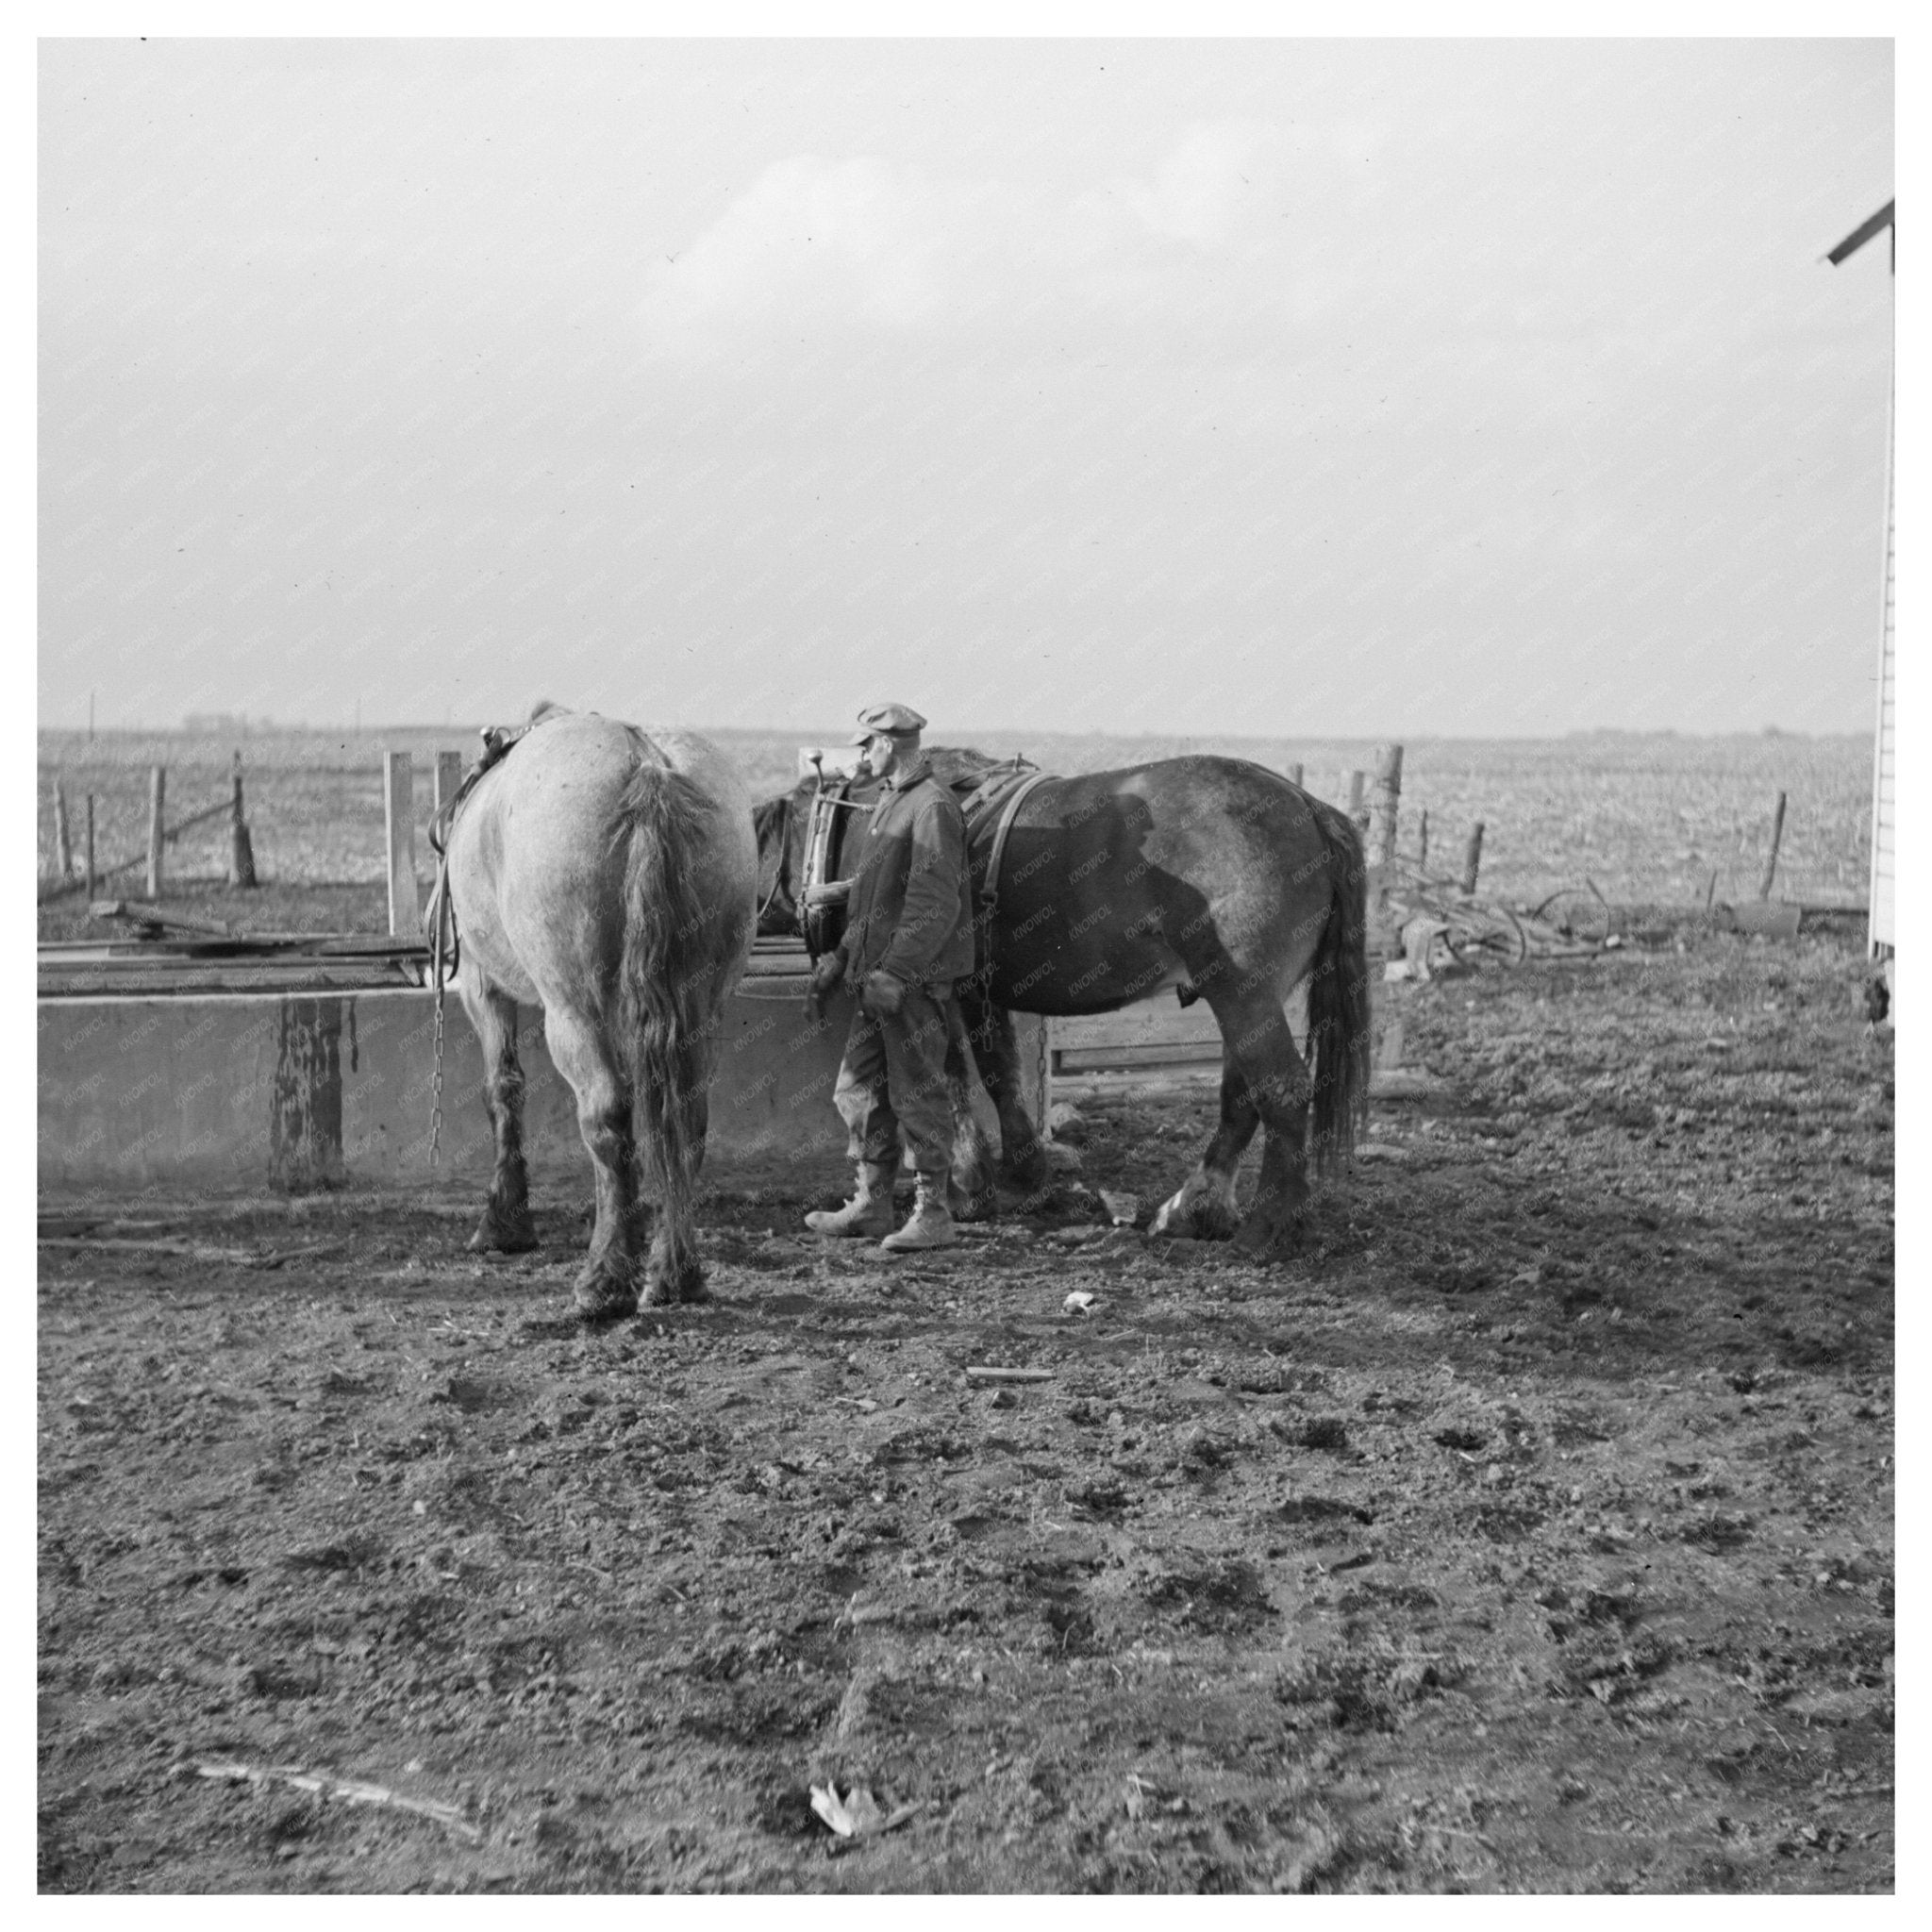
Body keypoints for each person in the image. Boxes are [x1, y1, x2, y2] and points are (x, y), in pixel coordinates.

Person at [801, 702, 975, 1252]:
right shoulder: (891, 805)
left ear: (887, 745)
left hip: (909, 984)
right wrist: (841, 956)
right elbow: (871, 903)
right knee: (858, 1092)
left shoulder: (932, 808)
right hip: (875, 978)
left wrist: (897, 972)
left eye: (864, 745)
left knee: (917, 1092)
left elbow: (934, 901)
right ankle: (872, 1205)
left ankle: (935, 1214)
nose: (858, 756)